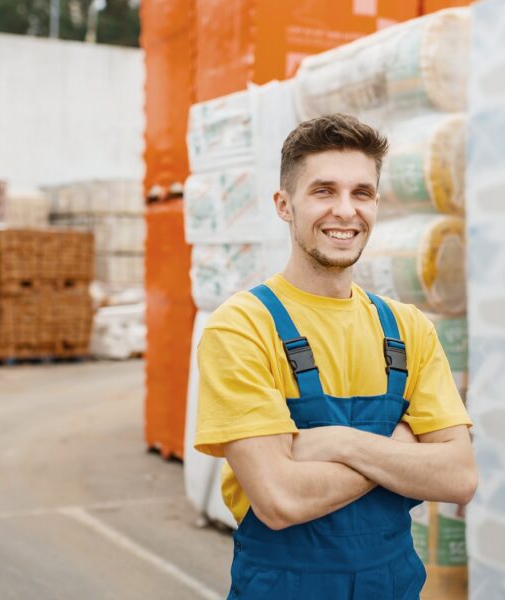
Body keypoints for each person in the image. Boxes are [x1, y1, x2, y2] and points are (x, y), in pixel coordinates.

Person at [194, 113, 477, 599]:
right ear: (284, 205)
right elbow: (280, 498)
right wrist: (401, 448)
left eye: (361, 193)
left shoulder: (409, 330)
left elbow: (459, 476)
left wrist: (339, 443)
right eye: (323, 191)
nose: (345, 211)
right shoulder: (242, 328)